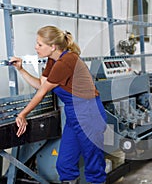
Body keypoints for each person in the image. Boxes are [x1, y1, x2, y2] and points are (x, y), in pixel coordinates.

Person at [10, 25, 107, 184]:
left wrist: (22, 114)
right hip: (74, 115)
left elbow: (41, 93)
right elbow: (40, 86)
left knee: (93, 166)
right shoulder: (52, 60)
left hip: (89, 114)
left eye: (40, 44)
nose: (36, 47)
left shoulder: (67, 61)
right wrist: (21, 70)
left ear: (53, 46)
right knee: (65, 165)